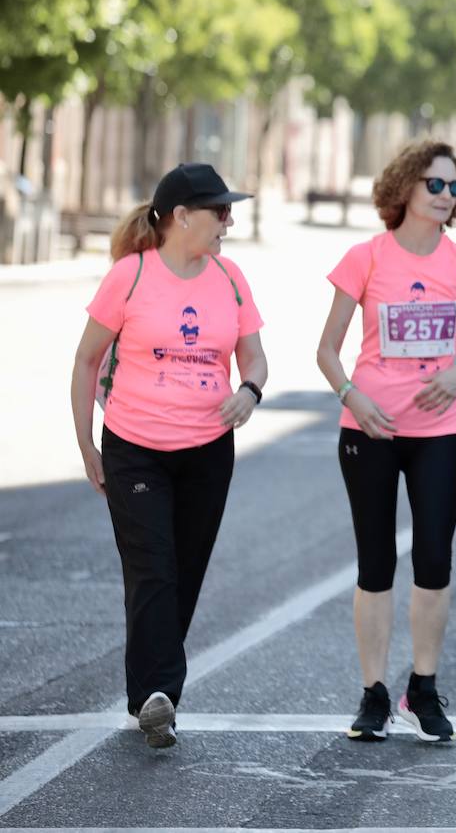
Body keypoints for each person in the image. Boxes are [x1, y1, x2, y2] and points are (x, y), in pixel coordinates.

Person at [71, 163, 267, 749]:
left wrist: (248, 392)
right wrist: (85, 440)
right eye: (221, 210)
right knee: (151, 567)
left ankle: (150, 692)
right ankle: (159, 696)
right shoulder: (129, 278)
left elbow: (255, 359)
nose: (229, 221)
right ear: (182, 216)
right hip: (135, 448)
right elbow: (86, 361)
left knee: (184, 571)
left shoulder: (231, 278)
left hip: (208, 450)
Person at [316, 140, 456, 744]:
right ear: (405, 188)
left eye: (454, 188)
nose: (447, 196)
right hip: (369, 430)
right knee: (374, 565)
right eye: (435, 185)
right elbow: (326, 349)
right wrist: (352, 397)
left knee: (434, 562)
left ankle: (422, 687)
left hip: (437, 434)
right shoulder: (365, 258)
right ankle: (373, 696)